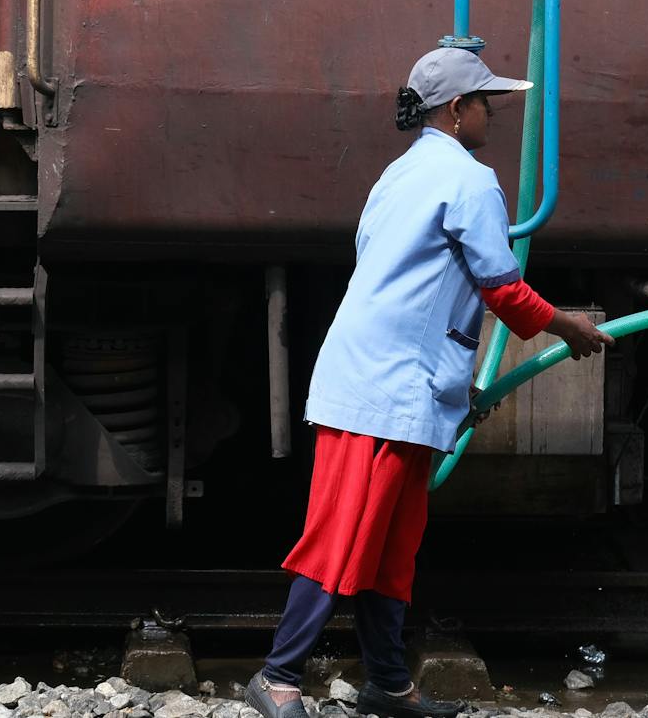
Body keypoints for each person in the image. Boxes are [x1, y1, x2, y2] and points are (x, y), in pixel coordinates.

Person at [246, 48, 614, 718]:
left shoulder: (399, 173)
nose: (491, 113)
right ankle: (277, 676)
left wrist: (451, 381)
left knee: (391, 546)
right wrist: (571, 327)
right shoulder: (470, 180)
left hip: (395, 385)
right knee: (343, 535)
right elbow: (503, 288)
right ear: (456, 109)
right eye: (484, 102)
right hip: (382, 389)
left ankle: (388, 685)